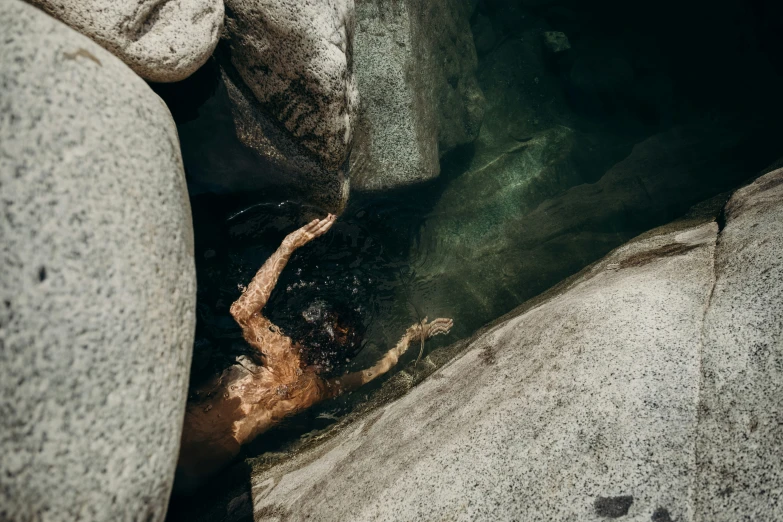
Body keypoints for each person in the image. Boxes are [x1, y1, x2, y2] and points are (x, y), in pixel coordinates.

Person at [176, 214, 453, 488]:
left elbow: (241, 311)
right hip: (210, 464)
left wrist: (287, 247)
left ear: (308, 330)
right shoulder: (314, 390)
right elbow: (371, 373)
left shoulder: (279, 352)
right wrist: (408, 340)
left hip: (189, 425)